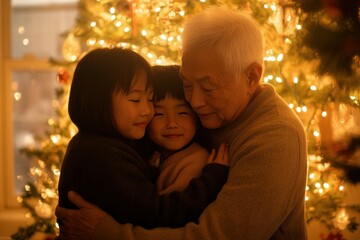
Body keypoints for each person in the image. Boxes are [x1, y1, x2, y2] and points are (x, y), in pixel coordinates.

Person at [56, 6, 308, 240]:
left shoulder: (275, 137)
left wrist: (109, 234)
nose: (194, 102)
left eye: (208, 88)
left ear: (251, 77)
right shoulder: (206, 114)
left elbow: (215, 236)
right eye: (187, 85)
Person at [57, 47, 229, 231]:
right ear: (98, 102)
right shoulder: (99, 155)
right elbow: (159, 215)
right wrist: (212, 179)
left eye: (149, 99)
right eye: (135, 100)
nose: (148, 111)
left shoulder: (105, 144)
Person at [146, 65, 212, 195]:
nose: (172, 124)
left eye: (182, 113)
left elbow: (167, 210)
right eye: (159, 114)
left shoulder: (197, 161)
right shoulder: (152, 155)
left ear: (197, 118)